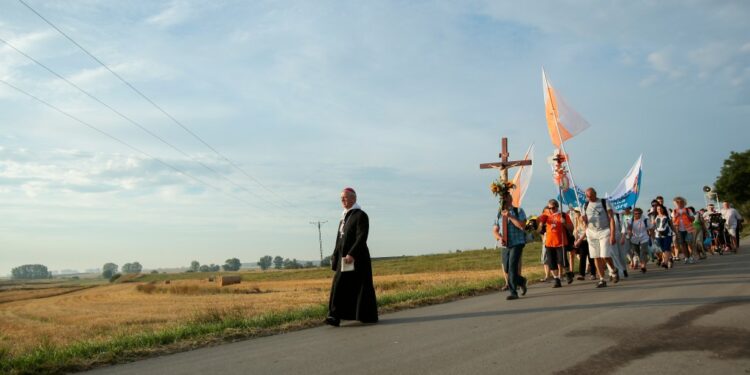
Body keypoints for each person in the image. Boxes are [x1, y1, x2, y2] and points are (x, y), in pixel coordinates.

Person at [326, 187, 378, 326]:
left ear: (354, 199)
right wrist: (335, 257)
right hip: (343, 258)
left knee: (361, 286)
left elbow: (362, 237)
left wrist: (352, 254)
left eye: (346, 197)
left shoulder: (361, 215)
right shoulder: (344, 217)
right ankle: (334, 316)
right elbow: (339, 239)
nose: (343, 200)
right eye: (341, 198)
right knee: (339, 284)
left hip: (357, 258)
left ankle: (366, 315)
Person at [493, 192, 528, 300]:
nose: (504, 199)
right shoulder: (499, 214)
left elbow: (522, 226)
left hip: (517, 243)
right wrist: (499, 237)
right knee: (507, 268)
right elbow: (495, 230)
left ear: (510, 199)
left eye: (506, 197)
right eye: (502, 198)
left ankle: (513, 292)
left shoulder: (518, 211)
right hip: (505, 245)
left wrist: (510, 216)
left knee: (512, 267)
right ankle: (521, 281)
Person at [582, 187, 619, 288]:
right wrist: (584, 220)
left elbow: (611, 219)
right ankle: (602, 279)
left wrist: (612, 234)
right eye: (587, 196)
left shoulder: (604, 202)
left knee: (605, 255)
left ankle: (614, 269)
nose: (589, 198)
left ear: (595, 194)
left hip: (604, 231)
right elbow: (584, 223)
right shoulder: (585, 205)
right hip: (591, 233)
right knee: (596, 257)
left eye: (590, 196)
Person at [538, 199, 573, 288]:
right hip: (549, 243)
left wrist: (564, 223)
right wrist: (540, 224)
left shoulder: (563, 215)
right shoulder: (545, 215)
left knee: (562, 260)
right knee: (552, 263)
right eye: (549, 208)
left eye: (553, 208)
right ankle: (556, 279)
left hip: (561, 242)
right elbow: (539, 228)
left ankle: (568, 273)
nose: (551, 209)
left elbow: (571, 228)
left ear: (557, 207)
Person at [627, 208, 653, 273]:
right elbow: (629, 230)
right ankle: (644, 260)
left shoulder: (645, 220)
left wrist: (652, 237)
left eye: (639, 213)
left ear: (641, 214)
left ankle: (643, 266)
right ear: (633, 214)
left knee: (643, 252)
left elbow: (651, 228)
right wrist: (629, 235)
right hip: (634, 239)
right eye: (635, 214)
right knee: (637, 252)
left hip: (644, 238)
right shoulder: (630, 221)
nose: (637, 215)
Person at [672, 197, 695, 264]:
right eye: (678, 202)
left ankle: (691, 257)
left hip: (688, 228)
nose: (679, 204)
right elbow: (673, 221)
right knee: (683, 244)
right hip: (679, 229)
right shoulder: (674, 211)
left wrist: (687, 215)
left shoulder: (688, 210)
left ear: (684, 203)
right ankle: (686, 257)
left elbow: (693, 219)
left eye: (681, 202)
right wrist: (676, 216)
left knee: (690, 243)